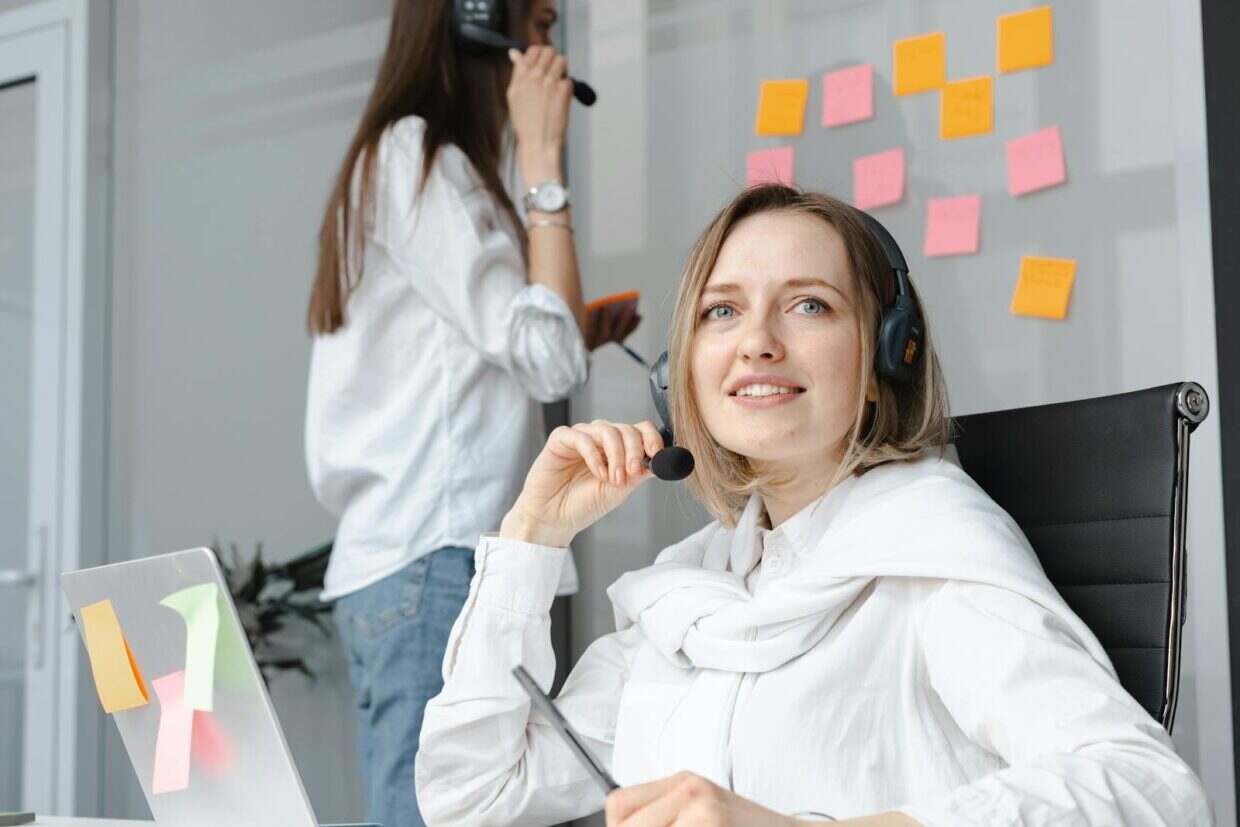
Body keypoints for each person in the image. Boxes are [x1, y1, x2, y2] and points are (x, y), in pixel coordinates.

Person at [413, 185, 1213, 826]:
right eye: (721, 310)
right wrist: (531, 536)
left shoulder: (929, 557)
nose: (756, 339)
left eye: (809, 305)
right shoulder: (688, 598)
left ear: (881, 361)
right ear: (680, 371)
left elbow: (1148, 792)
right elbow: (471, 797)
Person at [303, 1, 635, 824]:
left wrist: (575, 327)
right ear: (482, 20)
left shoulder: (411, 164)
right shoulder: (419, 157)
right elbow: (546, 356)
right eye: (544, 24)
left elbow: (481, 353)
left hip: (411, 558)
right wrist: (544, 154)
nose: (553, 47)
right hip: (434, 556)